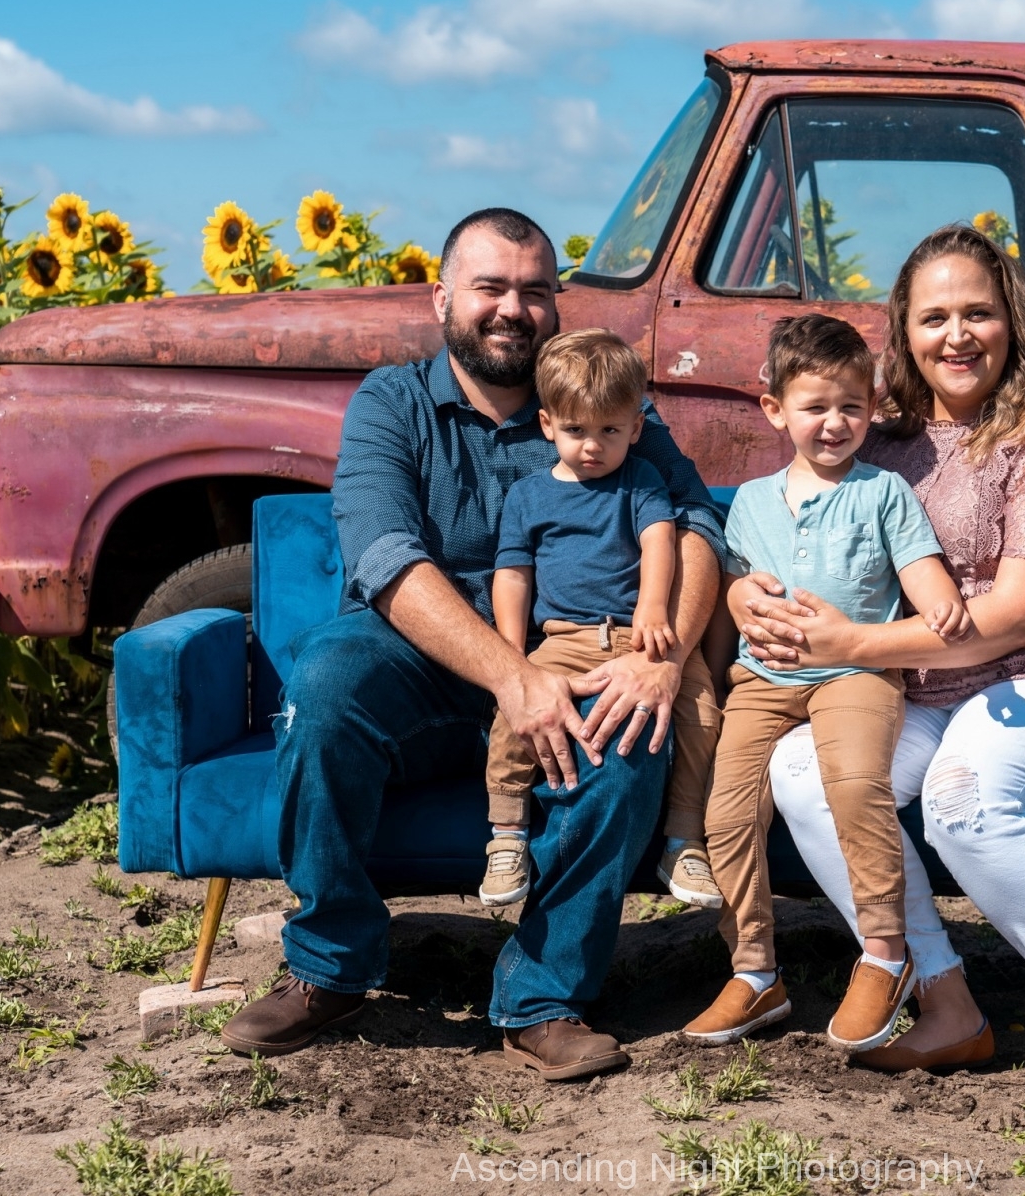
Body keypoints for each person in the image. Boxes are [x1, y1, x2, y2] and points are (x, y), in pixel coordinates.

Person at [220, 209, 724, 1083]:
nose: (512, 309)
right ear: (443, 297)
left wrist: (663, 657)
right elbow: (385, 557)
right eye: (490, 287)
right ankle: (328, 969)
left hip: (578, 647)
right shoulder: (392, 403)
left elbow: (696, 527)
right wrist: (512, 677)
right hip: (415, 662)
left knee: (631, 741)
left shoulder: (605, 404)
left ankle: (542, 999)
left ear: (556, 305)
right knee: (326, 685)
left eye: (534, 291)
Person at [735, 225, 1025, 1104]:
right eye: (934, 317)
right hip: (935, 686)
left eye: (978, 312)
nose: (957, 335)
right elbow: (790, 534)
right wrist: (745, 590)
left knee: (963, 798)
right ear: (905, 334)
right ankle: (946, 1004)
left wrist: (850, 646)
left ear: (1014, 321)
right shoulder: (881, 444)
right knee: (804, 772)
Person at [684, 315, 968, 1053]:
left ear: (871, 408)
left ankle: (886, 953)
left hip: (857, 674)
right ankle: (754, 971)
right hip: (763, 677)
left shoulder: (884, 491)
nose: (835, 423)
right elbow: (736, 583)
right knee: (728, 811)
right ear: (774, 410)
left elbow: (917, 565)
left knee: (854, 784)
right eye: (815, 407)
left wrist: (938, 597)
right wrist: (735, 600)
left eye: (851, 406)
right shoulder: (752, 501)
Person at [480, 328, 722, 912]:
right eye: (576, 430)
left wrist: (652, 607)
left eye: (610, 431)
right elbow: (513, 574)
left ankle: (684, 840)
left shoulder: (641, 479)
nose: (593, 446)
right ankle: (507, 833)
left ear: (636, 428)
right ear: (547, 425)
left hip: (643, 637)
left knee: (701, 714)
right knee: (514, 714)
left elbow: (661, 539)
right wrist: (511, 653)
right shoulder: (529, 496)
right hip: (565, 637)